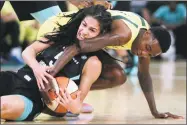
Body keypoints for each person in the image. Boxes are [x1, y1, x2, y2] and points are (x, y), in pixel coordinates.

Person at [38, 7, 184, 119]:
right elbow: (77, 47)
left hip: (83, 39)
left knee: (118, 75)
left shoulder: (145, 37)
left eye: (150, 54)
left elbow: (144, 76)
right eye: (147, 49)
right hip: (57, 31)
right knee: (95, 64)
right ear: (147, 34)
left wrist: (155, 111)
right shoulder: (123, 34)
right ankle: (53, 91)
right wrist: (51, 74)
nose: (144, 54)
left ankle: (68, 94)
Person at [0, 5, 112, 121]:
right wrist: (37, 68)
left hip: (33, 98)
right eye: (84, 25)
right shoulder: (62, 35)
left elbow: (77, 105)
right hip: (17, 78)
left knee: (2, 105)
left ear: (101, 35)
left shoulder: (93, 63)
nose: (84, 32)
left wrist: (73, 107)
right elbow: (28, 51)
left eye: (92, 30)